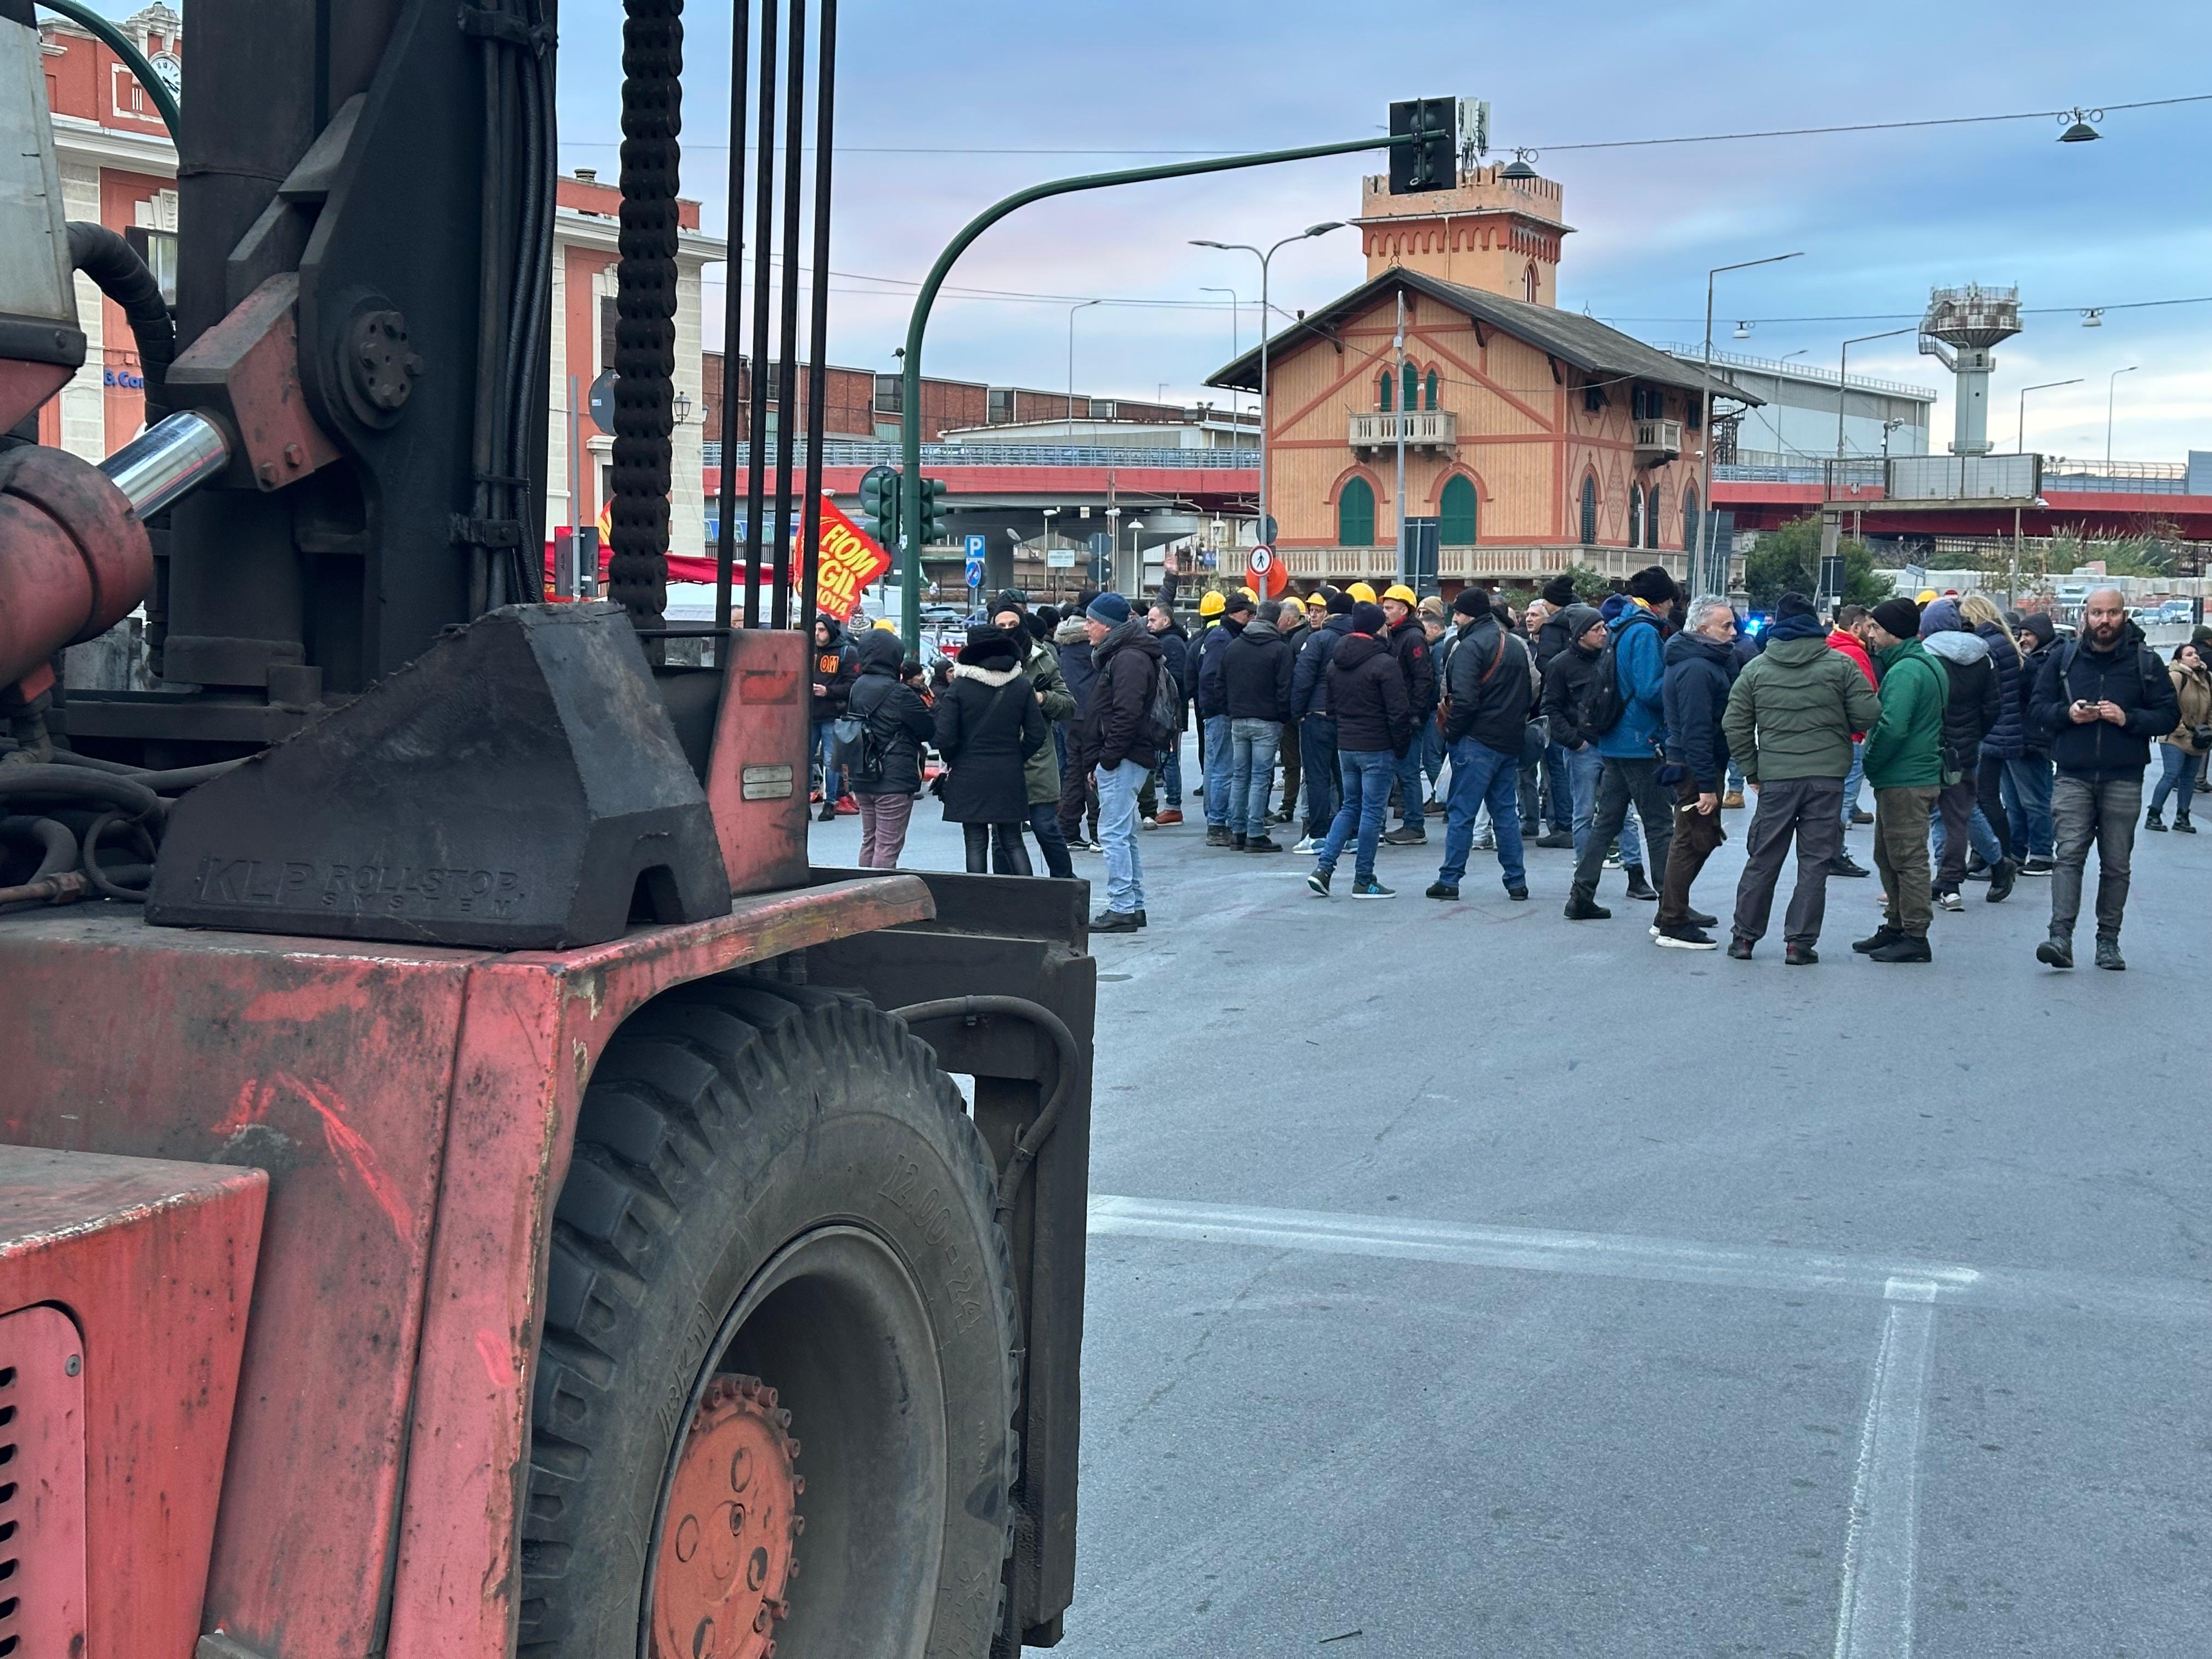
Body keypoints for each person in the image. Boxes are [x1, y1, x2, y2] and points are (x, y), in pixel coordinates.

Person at [1721, 591, 1884, 963]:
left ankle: (1744, 939)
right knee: (1814, 863)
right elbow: (1868, 713)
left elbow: (1735, 723)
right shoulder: (1840, 666)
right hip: (1827, 777)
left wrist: (1752, 768)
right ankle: (1799, 944)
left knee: (1763, 859)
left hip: (1777, 778)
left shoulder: (1757, 668)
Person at [2028, 586, 2177, 970]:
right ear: (2086, 617)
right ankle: (2060, 936)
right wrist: (2068, 714)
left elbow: (2168, 715)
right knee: (2069, 857)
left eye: (2111, 613)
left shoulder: (2145, 661)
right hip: (2073, 774)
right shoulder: (2064, 658)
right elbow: (2038, 708)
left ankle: (2107, 941)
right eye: (2097, 613)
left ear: (2124, 616)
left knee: (2116, 865)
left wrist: (2129, 718)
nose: (2104, 621)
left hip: (2124, 776)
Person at [1565, 566, 1680, 921]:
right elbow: (1648, 689)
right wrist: (1676, 684)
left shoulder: (1617, 626)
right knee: (1660, 826)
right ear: (1664, 601)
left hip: (1615, 738)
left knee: (1606, 823)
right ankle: (1672, 906)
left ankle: (1581, 895)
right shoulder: (1645, 631)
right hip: (1640, 741)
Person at [1853, 597, 1947, 964]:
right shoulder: (1923, 663)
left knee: (1906, 858)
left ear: (1892, 631)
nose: (1870, 634)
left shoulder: (1907, 671)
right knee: (1888, 855)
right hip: (1910, 774)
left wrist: (1872, 763)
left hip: (1905, 777)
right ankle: (1896, 925)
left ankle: (1914, 934)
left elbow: (1892, 727)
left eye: (1875, 628)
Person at [1543, 602, 1657, 900]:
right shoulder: (1560, 665)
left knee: (1623, 815)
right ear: (1581, 635)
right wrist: (1574, 741)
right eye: (1597, 629)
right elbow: (1551, 709)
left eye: (1604, 627)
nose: (1603, 633)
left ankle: (1635, 875)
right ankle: (1583, 875)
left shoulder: (1611, 656)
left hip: (1612, 742)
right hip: (1583, 747)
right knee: (1584, 813)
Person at [1427, 588, 1533, 901]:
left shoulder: (1468, 647)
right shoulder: (1515, 646)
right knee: (1505, 814)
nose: (1454, 619)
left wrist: (1453, 734)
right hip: (1508, 741)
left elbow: (1465, 701)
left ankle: (1449, 879)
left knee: (1462, 813)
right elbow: (1529, 692)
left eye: (1457, 614)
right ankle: (1517, 882)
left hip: (1476, 742)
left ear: (1468, 615)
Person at [1076, 591, 1167, 932]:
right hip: (1128, 755)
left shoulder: (1128, 658)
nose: (1087, 628)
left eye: (1091, 622)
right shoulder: (1127, 653)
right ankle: (1133, 904)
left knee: (1112, 833)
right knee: (1124, 833)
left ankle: (1122, 907)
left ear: (1109, 626)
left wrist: (1107, 758)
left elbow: (1126, 714)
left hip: (1124, 756)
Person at [1650, 595, 1737, 949]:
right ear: (1703, 629)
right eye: (1726, 626)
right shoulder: (1697, 668)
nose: (1733, 632)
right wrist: (1705, 784)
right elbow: (1696, 729)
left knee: (1697, 838)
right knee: (1693, 841)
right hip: (1694, 765)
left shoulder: (1700, 661)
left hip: (1696, 763)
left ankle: (1673, 909)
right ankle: (1672, 921)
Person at [1307, 602, 1408, 900]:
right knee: (1372, 814)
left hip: (1347, 745)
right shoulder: (1385, 664)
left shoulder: (1336, 663)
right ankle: (1364, 878)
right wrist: (1400, 747)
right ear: (1379, 628)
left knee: (1350, 807)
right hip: (1377, 746)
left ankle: (1324, 868)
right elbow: (1398, 712)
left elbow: (1332, 708)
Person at [934, 624, 1047, 877]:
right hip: (1009, 771)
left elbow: (945, 738)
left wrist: (955, 759)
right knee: (1013, 840)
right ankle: (1030, 896)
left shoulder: (960, 688)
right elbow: (1037, 734)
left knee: (975, 841)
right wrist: (1016, 755)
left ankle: (979, 902)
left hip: (968, 772)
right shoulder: (1021, 687)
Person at [1918, 597, 2004, 912]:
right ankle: (1951, 879)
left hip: (1930, 746)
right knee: (1958, 815)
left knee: (1927, 815)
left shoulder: (1926, 656)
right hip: (1967, 748)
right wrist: (1974, 735)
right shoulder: (1983, 656)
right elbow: (1993, 706)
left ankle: (1942, 881)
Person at [994, 597, 1077, 880]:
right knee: (1002, 836)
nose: (1007, 630)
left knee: (1046, 828)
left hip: (1038, 757)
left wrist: (1041, 698)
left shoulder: (1042, 658)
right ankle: (1005, 895)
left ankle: (1065, 887)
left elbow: (1068, 706)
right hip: (999, 760)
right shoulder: (982, 661)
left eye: (1013, 625)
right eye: (1001, 625)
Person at [845, 628, 936, 868]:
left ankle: (862, 893)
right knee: (887, 846)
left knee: (870, 841)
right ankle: (877, 899)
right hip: (893, 778)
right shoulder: (899, 693)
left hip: (863, 773)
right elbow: (928, 729)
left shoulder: (858, 686)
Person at [1958, 594, 2025, 898]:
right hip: (2005, 727)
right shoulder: (2002, 640)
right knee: (1986, 796)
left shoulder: (1987, 646)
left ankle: (2000, 856)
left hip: (1994, 730)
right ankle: (1989, 855)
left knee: (1984, 798)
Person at [1220, 597, 1296, 851]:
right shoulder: (1279, 649)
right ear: (1276, 620)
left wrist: (1232, 709)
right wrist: (1283, 716)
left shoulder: (1234, 646)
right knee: (1260, 777)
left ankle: (1237, 830)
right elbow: (1285, 689)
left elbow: (1221, 683)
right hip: (1267, 719)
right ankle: (1255, 832)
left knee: (1240, 776)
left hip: (1239, 719)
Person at [1291, 589, 1355, 854]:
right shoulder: (1361, 639)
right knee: (1346, 779)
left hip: (1317, 716)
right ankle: (1349, 834)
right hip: (1350, 718)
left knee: (1317, 777)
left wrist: (1298, 712)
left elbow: (1303, 679)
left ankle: (1318, 834)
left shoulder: (1319, 639)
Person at [1378, 584, 1437, 845]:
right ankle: (1412, 823)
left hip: (1408, 717)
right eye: (1384, 607)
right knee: (1402, 770)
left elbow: (1423, 678)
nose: (1385, 611)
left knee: (1408, 771)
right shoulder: (1396, 634)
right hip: (1398, 714)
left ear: (1404, 609)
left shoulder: (1412, 637)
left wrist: (1415, 713)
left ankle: (1415, 825)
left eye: (1389, 607)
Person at [1196, 592, 1251, 847]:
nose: (1250, 618)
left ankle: (1216, 820)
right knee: (1223, 769)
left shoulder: (1221, 635)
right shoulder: (1222, 638)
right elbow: (1210, 678)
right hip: (1220, 713)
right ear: (1236, 613)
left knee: (1216, 767)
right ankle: (1218, 823)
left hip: (1215, 711)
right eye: (1248, 613)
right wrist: (1225, 707)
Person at [2005, 611, 2058, 873]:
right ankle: (2018, 850)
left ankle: (2042, 853)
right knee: (2014, 801)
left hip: (2033, 740)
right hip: (2016, 737)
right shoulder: (2034, 658)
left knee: (2035, 800)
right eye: (2022, 635)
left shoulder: (2046, 661)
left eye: (2029, 635)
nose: (2024, 640)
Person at [1826, 605, 1880, 867]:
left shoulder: (1830, 647)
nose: (1873, 634)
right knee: (1845, 798)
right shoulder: (1855, 655)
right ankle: (1836, 852)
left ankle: (1829, 850)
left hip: (1831, 735)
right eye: (1870, 627)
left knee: (1836, 797)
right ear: (1856, 628)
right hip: (1852, 737)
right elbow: (1867, 697)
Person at [2147, 641, 2212, 831]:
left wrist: (2208, 730)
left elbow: (2211, 708)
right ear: (2179, 659)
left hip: (2199, 736)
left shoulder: (2207, 678)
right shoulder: (2176, 677)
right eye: (2190, 654)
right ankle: (2154, 815)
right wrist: (2183, 731)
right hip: (2174, 736)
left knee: (2189, 780)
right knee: (2171, 774)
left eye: (2196, 654)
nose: (2196, 657)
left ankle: (2182, 817)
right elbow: (2170, 706)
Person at [1053, 610, 1101, 853]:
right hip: (1092, 715)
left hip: (1070, 715)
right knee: (1095, 772)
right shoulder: (1092, 648)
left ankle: (1067, 829)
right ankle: (1098, 832)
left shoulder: (1066, 646)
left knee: (1074, 771)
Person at [1145, 600, 1192, 826]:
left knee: (1169, 758)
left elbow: (1178, 676)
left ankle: (1173, 806)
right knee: (1163, 758)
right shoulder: (1164, 640)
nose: (1149, 624)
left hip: (1169, 711)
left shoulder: (1171, 642)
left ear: (1166, 620)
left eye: (1153, 620)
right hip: (1163, 709)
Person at [810, 612, 859, 821]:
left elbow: (852, 684)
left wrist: (828, 691)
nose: (817, 634)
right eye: (816, 630)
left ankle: (831, 802)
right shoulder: (806, 650)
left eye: (821, 630)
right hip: (810, 714)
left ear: (830, 631)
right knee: (806, 758)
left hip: (832, 713)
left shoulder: (846, 652)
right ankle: (806, 802)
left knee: (831, 760)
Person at [1273, 596, 1310, 826]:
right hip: (1292, 709)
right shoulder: (1290, 639)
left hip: (1296, 709)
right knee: (1292, 760)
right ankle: (1289, 804)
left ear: (1288, 619)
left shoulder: (1300, 640)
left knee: (1297, 761)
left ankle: (1293, 805)